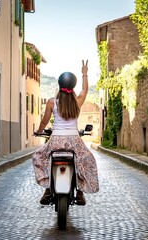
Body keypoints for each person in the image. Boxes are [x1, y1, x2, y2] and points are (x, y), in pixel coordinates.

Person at [32, 60, 99, 205]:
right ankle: (80, 193)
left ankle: (48, 189)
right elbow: (85, 90)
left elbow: (44, 122)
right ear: (73, 86)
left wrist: (38, 131)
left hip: (56, 140)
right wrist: (85, 73)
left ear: (59, 85)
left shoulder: (51, 102)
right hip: (74, 141)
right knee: (87, 161)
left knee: (39, 157)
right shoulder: (77, 101)